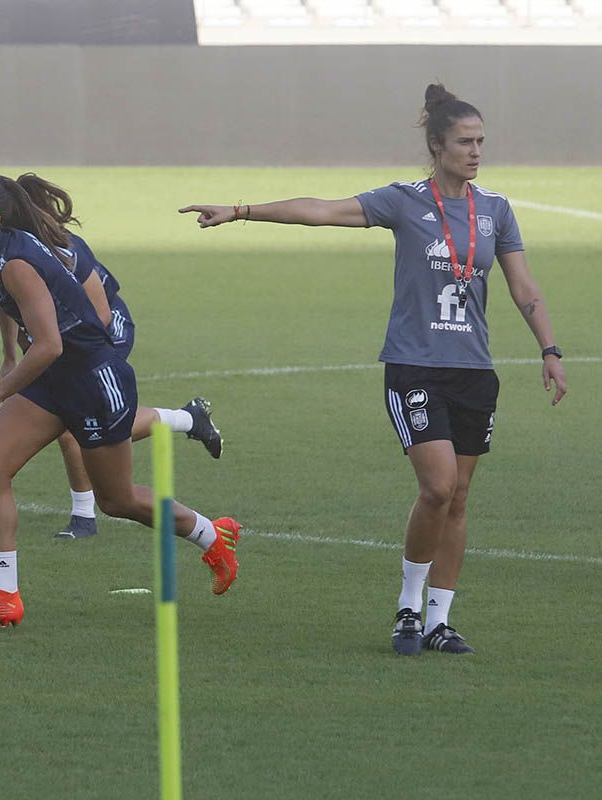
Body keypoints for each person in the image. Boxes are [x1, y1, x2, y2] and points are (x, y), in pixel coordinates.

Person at [180, 83, 568, 654]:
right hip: (414, 366)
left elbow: (522, 285)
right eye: (465, 141)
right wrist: (241, 211)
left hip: (474, 372)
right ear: (437, 146)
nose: (476, 151)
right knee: (436, 487)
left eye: (482, 140)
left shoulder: (495, 212)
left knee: (458, 498)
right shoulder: (404, 202)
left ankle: (438, 620)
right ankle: (408, 608)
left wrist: (550, 349)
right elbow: (321, 210)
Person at [0, 174, 242, 629]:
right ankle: (3, 595)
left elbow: (49, 345)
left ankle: (212, 536)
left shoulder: (15, 261)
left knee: (118, 501)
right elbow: (15, 313)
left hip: (92, 382)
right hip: (53, 381)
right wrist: (8, 361)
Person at [7, 173, 223, 541]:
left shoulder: (65, 250)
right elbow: (13, 305)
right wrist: (10, 353)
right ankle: (188, 418)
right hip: (69, 340)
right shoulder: (9, 253)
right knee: (76, 421)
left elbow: (100, 316)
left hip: (103, 333)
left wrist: (56, 356)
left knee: (76, 423)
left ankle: (83, 516)